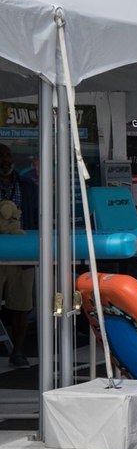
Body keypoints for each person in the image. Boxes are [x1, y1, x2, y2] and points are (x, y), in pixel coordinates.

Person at [0, 143, 39, 369]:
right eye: (0, 157)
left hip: (23, 253)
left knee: (21, 305)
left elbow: (35, 216)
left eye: (7, 156)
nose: (5, 161)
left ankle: (18, 351)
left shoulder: (27, 185)